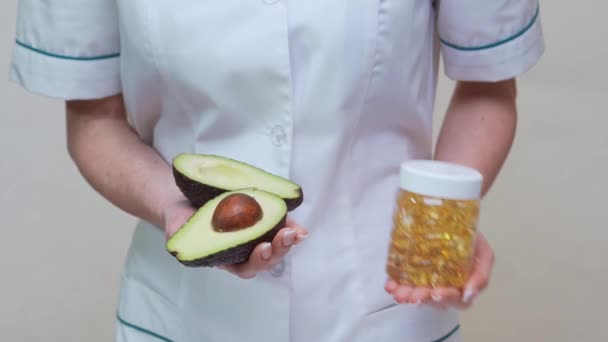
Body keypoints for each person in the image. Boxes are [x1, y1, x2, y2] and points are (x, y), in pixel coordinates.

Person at [10, 0, 544, 341]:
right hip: (186, 315)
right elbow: (92, 118)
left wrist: (441, 221)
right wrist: (176, 211)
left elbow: (487, 86)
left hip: (384, 308)